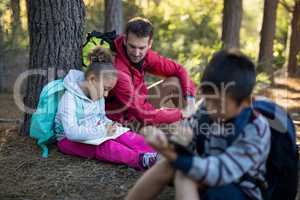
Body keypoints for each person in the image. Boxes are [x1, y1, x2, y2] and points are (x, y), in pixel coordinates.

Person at [126, 49, 271, 199]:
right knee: (166, 165)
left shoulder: (255, 129)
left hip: (238, 190)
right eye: (208, 100)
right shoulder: (206, 109)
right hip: (207, 177)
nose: (211, 109)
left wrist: (172, 155)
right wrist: (169, 144)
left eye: (219, 104)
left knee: (185, 175)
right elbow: (184, 138)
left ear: (246, 102)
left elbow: (220, 171)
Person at [54, 47, 158, 170]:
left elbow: (101, 117)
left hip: (96, 131)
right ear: (92, 79)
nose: (106, 95)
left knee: (125, 135)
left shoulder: (98, 95)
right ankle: (141, 160)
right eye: (105, 89)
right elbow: (71, 133)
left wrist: (111, 125)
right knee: (108, 145)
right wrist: (103, 131)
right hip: (70, 141)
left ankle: (159, 153)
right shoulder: (69, 98)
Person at [104, 17, 196, 127]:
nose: (136, 53)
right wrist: (180, 113)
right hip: (121, 121)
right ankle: (180, 135)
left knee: (174, 82)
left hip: (140, 102)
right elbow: (143, 114)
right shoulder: (118, 69)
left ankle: (191, 131)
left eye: (141, 48)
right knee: (155, 131)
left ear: (149, 44)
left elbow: (179, 69)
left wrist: (190, 100)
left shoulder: (147, 56)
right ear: (124, 40)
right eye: (132, 46)